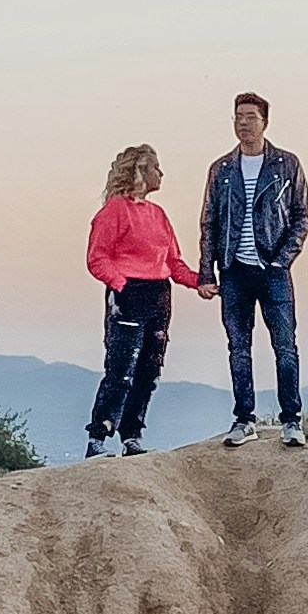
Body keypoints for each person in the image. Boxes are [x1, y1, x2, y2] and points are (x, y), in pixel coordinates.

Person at [197, 91, 308, 447]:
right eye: (237, 116)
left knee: (285, 347)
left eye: (250, 116)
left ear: (265, 121)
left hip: (273, 271)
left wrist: (281, 259)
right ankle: (244, 419)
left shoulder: (286, 164)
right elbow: (210, 222)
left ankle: (291, 421)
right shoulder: (222, 169)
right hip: (234, 271)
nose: (242, 122)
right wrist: (207, 272)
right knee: (238, 348)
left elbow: (302, 216)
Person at [83, 143, 212, 456]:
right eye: (155, 166)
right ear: (139, 171)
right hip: (129, 294)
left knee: (149, 371)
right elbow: (97, 257)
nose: (161, 173)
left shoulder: (158, 215)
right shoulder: (114, 211)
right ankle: (98, 439)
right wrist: (121, 285)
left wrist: (200, 283)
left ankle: (131, 437)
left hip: (158, 295)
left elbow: (173, 262)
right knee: (121, 369)